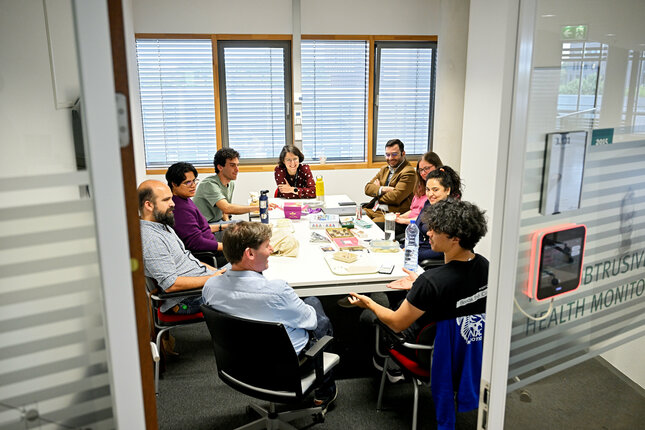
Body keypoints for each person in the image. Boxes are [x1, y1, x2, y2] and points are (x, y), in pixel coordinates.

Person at [202, 221, 338, 411]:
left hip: (239, 365)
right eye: (267, 245)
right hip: (286, 369)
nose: (272, 249)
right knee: (315, 307)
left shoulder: (210, 287)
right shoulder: (276, 291)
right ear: (250, 253)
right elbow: (311, 321)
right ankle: (324, 392)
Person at [348, 199, 488, 356]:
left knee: (368, 316)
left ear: (455, 238)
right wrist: (421, 282)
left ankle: (389, 368)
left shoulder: (431, 281)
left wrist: (369, 303)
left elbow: (396, 323)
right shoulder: (484, 265)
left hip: (425, 351)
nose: (428, 233)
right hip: (469, 348)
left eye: (435, 230)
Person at [138, 180, 226, 315]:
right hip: (187, 300)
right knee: (250, 292)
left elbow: (188, 259)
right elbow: (170, 284)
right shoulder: (151, 239)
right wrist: (213, 278)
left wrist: (219, 272)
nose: (173, 204)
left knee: (248, 272)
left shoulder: (163, 225)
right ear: (149, 205)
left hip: (205, 283)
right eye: (166, 200)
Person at [165, 162, 228, 260]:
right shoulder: (179, 208)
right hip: (210, 255)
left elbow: (198, 228)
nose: (193, 185)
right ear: (174, 184)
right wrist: (228, 247)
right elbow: (196, 242)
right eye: (188, 182)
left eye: (194, 181)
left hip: (212, 244)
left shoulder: (185, 199)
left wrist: (222, 226)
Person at [193, 148, 262, 227]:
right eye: (232, 165)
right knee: (248, 230)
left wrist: (228, 222)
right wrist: (257, 208)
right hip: (206, 227)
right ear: (220, 167)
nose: (237, 169)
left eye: (237, 165)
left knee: (249, 226)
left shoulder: (230, 183)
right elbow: (227, 208)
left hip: (218, 222)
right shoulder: (209, 184)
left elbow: (224, 210)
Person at [416, 165, 463, 263]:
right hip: (419, 252)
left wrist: (415, 253)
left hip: (431, 258)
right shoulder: (428, 204)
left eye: (435, 190)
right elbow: (416, 230)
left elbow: (442, 251)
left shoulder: (452, 212)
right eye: (428, 189)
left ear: (447, 190)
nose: (430, 194)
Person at [363, 139, 416, 223]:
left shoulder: (409, 172)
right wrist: (384, 189)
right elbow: (367, 188)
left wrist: (377, 192)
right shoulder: (384, 169)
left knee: (368, 227)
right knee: (353, 220)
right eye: (387, 155)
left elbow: (395, 197)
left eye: (394, 154)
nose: (390, 158)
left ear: (403, 153)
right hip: (374, 209)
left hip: (391, 214)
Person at [393, 151, 443, 238]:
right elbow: (413, 210)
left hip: (419, 227)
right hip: (410, 223)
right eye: (420, 170)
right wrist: (399, 217)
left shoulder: (439, 193)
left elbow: (424, 219)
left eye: (426, 168)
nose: (423, 173)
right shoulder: (420, 186)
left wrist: (403, 220)